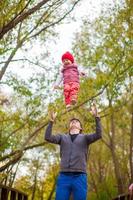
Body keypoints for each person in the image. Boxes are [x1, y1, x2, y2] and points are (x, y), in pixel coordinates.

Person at [44, 103, 102, 200]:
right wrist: (51, 122)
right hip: (63, 177)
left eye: (76, 121)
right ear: (69, 127)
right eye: (72, 121)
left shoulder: (85, 138)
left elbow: (98, 134)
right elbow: (48, 137)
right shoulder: (62, 137)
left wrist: (97, 117)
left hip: (80, 177)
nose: (74, 122)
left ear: (81, 128)